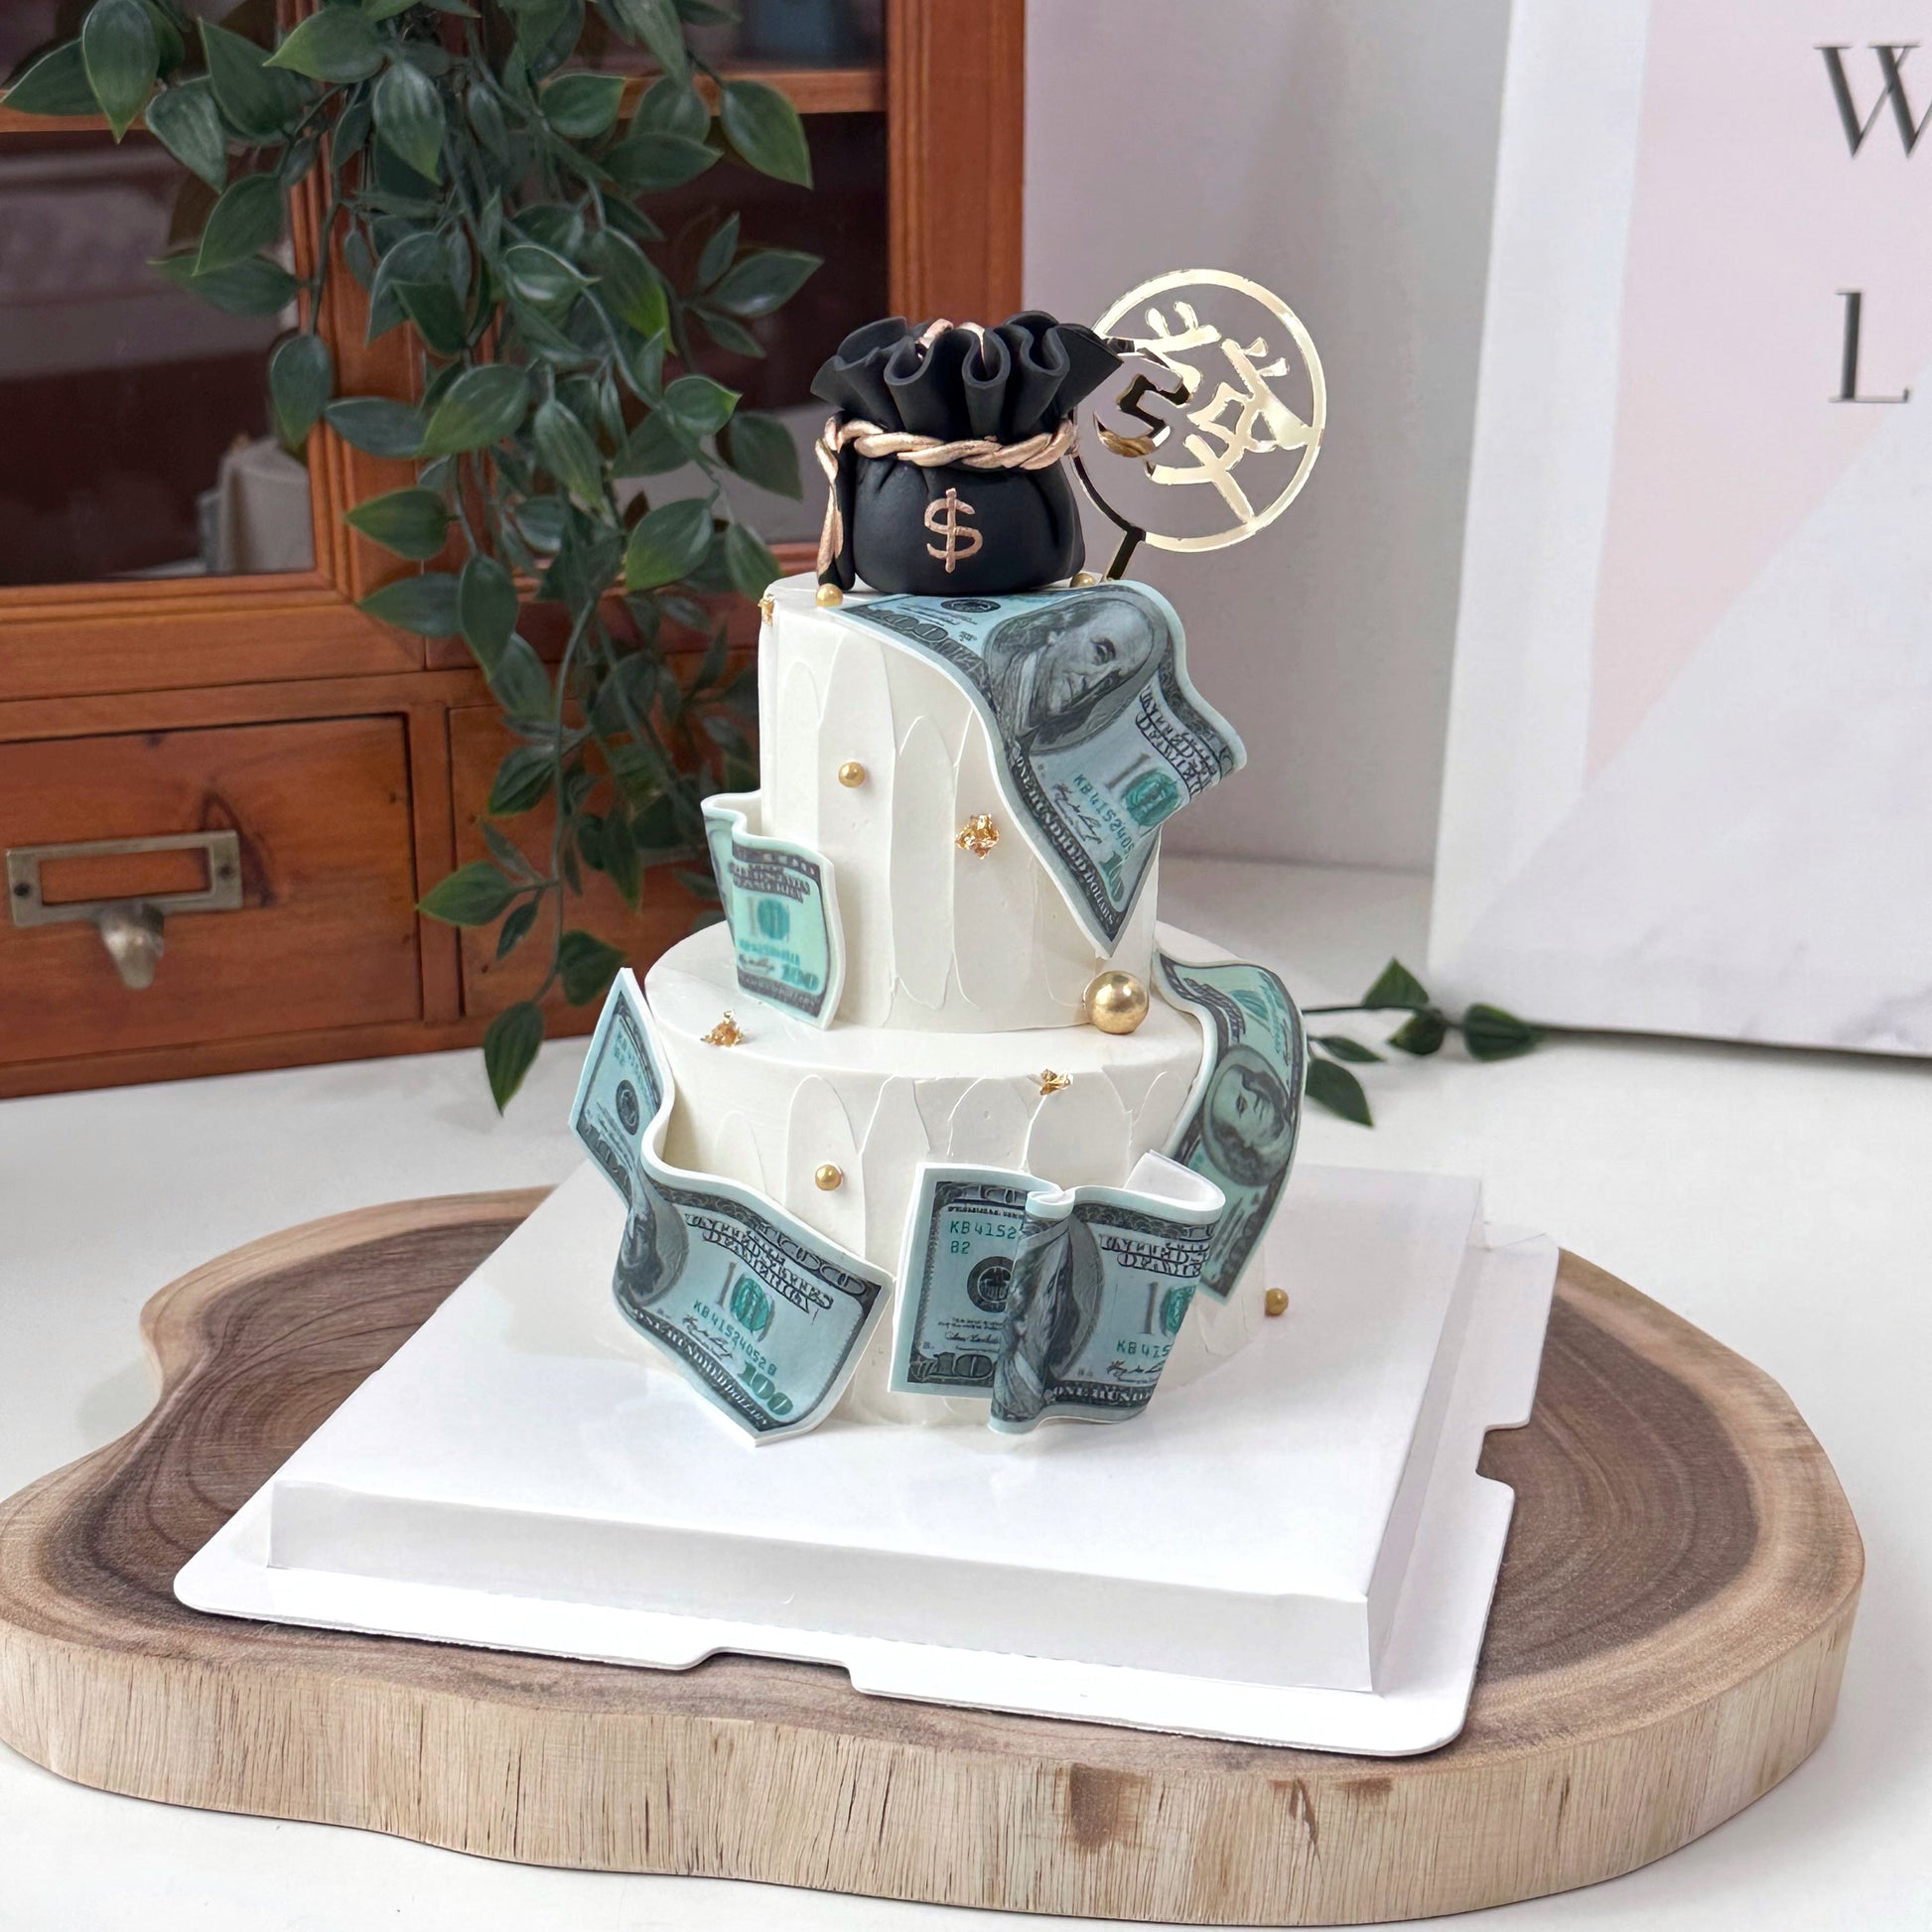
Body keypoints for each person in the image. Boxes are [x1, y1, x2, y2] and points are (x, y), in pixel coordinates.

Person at [983, 587, 1169, 752]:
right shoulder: (986, 676)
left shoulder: (1027, 740)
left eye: (1112, 680)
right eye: (1100, 653)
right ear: (1059, 629)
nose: (1096, 682)